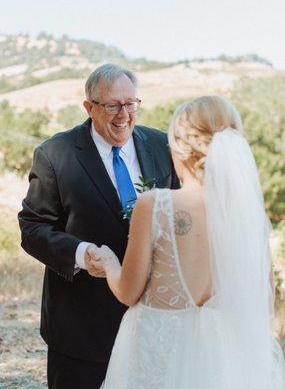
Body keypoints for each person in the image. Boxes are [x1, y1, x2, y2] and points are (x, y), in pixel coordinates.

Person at [93, 96, 285, 388]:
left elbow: (128, 292)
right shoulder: (248, 217)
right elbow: (263, 296)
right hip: (224, 363)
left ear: (179, 148)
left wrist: (109, 263)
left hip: (157, 358)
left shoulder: (155, 205)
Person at [18, 63, 179, 389]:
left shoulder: (163, 146)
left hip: (151, 321)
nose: (124, 115)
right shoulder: (55, 154)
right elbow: (32, 227)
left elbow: (178, 212)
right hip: (80, 328)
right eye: (112, 106)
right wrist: (80, 253)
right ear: (89, 107)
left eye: (131, 103)